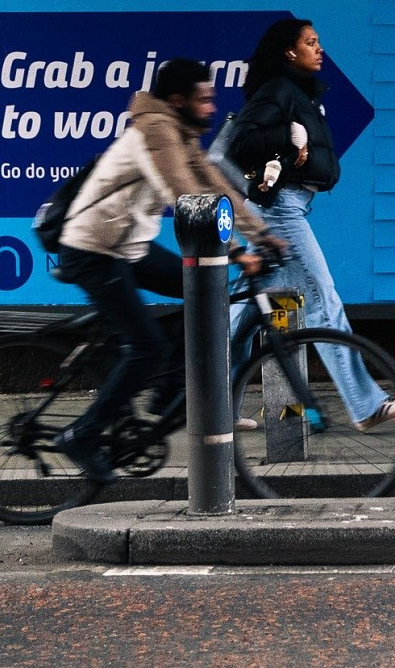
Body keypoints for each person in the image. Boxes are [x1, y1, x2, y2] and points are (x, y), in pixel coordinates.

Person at [51, 57, 275, 482]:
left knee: (204, 292)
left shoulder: (179, 131)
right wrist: (231, 251)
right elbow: (185, 193)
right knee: (146, 347)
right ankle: (82, 434)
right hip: (94, 249)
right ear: (178, 100)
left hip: (126, 248)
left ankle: (168, 389)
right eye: (204, 99)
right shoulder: (156, 130)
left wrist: (261, 234)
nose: (212, 108)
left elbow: (215, 185)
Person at [217, 17, 395, 431]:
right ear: (289, 51)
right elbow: (242, 143)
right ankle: (365, 404)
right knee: (322, 299)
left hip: (285, 206)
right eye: (312, 42)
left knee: (243, 316)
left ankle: (210, 410)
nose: (320, 49)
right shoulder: (280, 91)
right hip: (280, 209)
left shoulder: (298, 93)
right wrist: (287, 136)